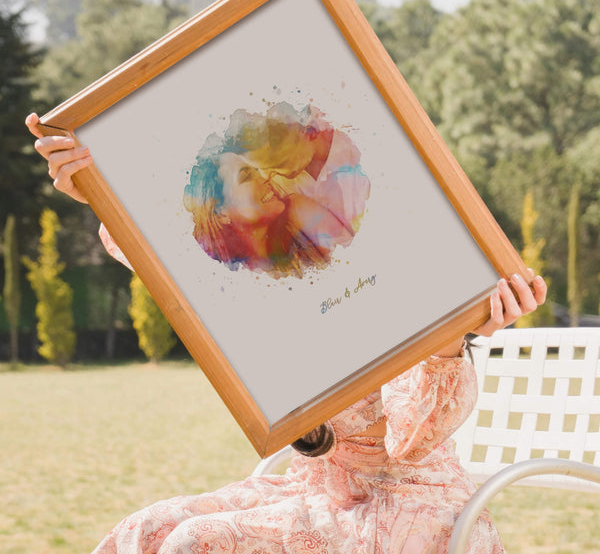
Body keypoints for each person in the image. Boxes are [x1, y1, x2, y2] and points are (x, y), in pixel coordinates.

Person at [26, 112, 547, 553]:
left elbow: (411, 436)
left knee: (195, 542)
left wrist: (448, 339)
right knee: (142, 531)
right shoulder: (261, 285)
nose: (275, 182)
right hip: (317, 491)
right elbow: (170, 262)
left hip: (410, 507)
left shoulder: (378, 272)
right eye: (251, 176)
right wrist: (96, 185)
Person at [182, 103, 370, 277]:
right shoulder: (229, 275)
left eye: (257, 171)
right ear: (221, 212)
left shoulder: (297, 209)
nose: (264, 177)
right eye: (247, 176)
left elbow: (355, 266)